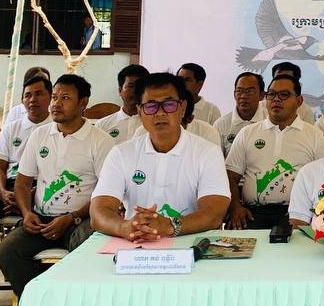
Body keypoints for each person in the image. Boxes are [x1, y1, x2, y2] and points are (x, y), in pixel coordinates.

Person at [0, 74, 114, 295]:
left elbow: (105, 193)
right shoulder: (40, 135)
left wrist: (73, 217)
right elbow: (23, 182)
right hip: (41, 220)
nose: (56, 104)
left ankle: (74, 303)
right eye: (55, 97)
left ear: (83, 102)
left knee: (87, 249)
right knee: (6, 252)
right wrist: (27, 213)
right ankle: (41, 301)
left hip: (81, 220)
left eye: (65, 98)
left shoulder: (101, 141)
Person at [91, 72, 230, 241]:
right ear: (139, 112)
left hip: (191, 244)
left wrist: (171, 226)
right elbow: (98, 211)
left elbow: (213, 214)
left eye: (169, 104)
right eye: (151, 106)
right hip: (136, 242)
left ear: (183, 108)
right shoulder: (121, 153)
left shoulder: (208, 153)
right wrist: (125, 227)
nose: (160, 113)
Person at [225, 73, 324, 229]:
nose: (276, 99)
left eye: (284, 95)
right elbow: (230, 177)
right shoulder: (248, 133)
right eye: (271, 94)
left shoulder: (315, 135)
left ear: (299, 101)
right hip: (252, 214)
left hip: (298, 215)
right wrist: (236, 207)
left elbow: (323, 181)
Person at [0, 72, 52, 218]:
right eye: (27, 95)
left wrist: (28, 196)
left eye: (39, 94)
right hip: (10, 186)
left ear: (51, 97)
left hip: (43, 187)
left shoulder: (58, 129)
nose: (32, 100)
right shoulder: (12, 128)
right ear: (22, 100)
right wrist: (2, 193)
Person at [214, 72, 267, 155]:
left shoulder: (271, 120)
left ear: (261, 95)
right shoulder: (221, 125)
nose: (243, 96)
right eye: (239, 91)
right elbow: (216, 159)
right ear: (234, 95)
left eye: (249, 91)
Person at [95, 64, 149, 145]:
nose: (136, 91)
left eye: (141, 86)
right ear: (120, 90)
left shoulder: (153, 125)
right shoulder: (102, 125)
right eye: (131, 86)